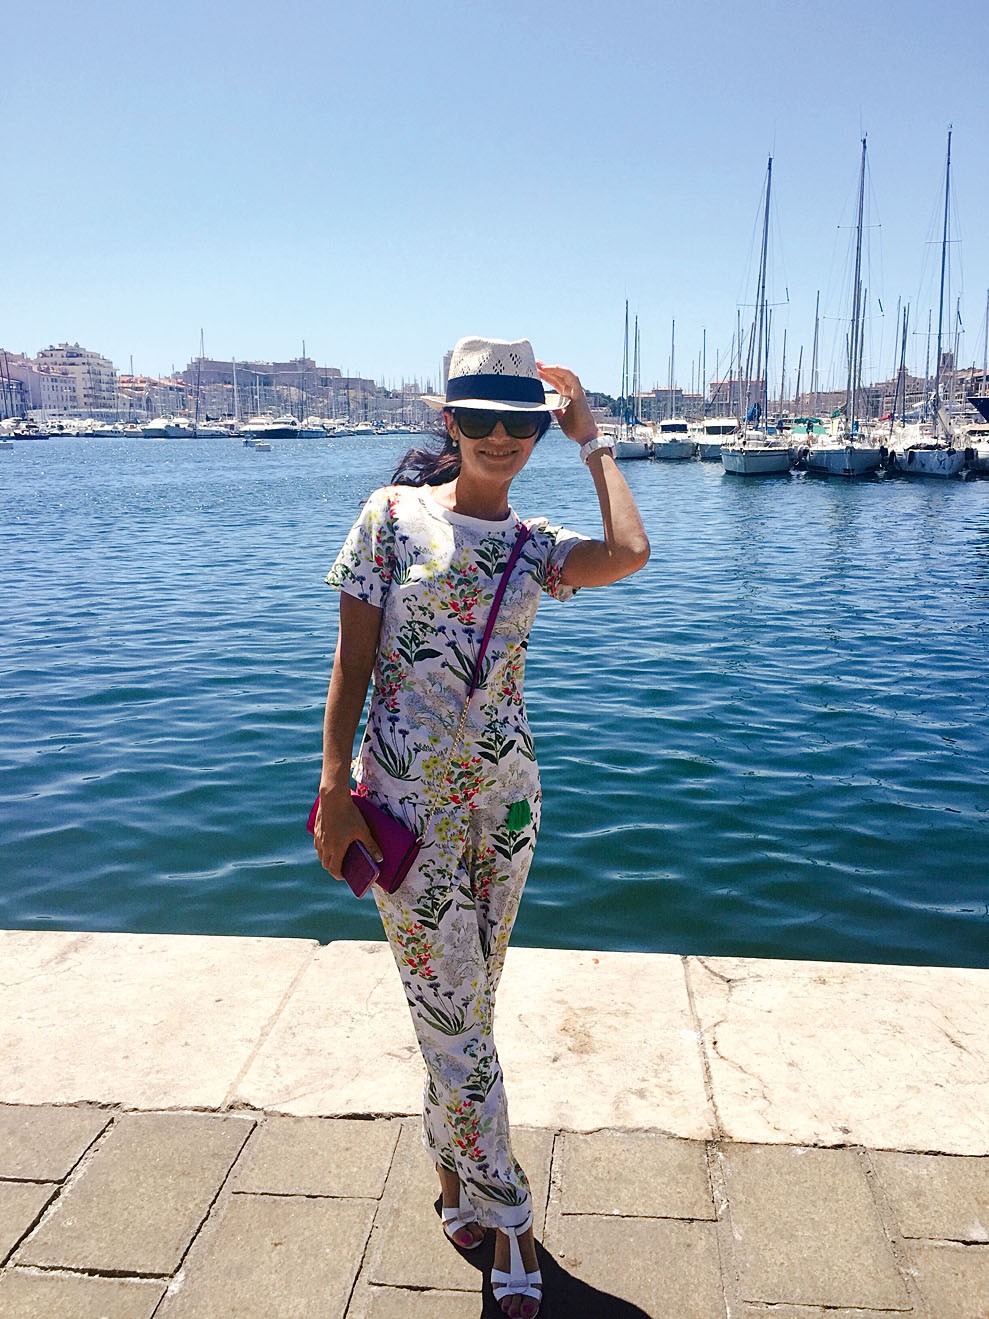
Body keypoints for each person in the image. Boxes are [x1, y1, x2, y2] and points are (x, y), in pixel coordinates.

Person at [312, 336, 649, 1318]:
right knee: (456, 1018)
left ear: (536, 431)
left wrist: (593, 441)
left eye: (520, 422)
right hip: (402, 810)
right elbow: (350, 663)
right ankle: (508, 1216)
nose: (500, 437)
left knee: (465, 1012)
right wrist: (333, 789)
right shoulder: (389, 519)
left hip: (505, 808)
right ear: (449, 420)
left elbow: (630, 552)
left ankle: (449, 1169)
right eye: (481, 418)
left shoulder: (536, 546)